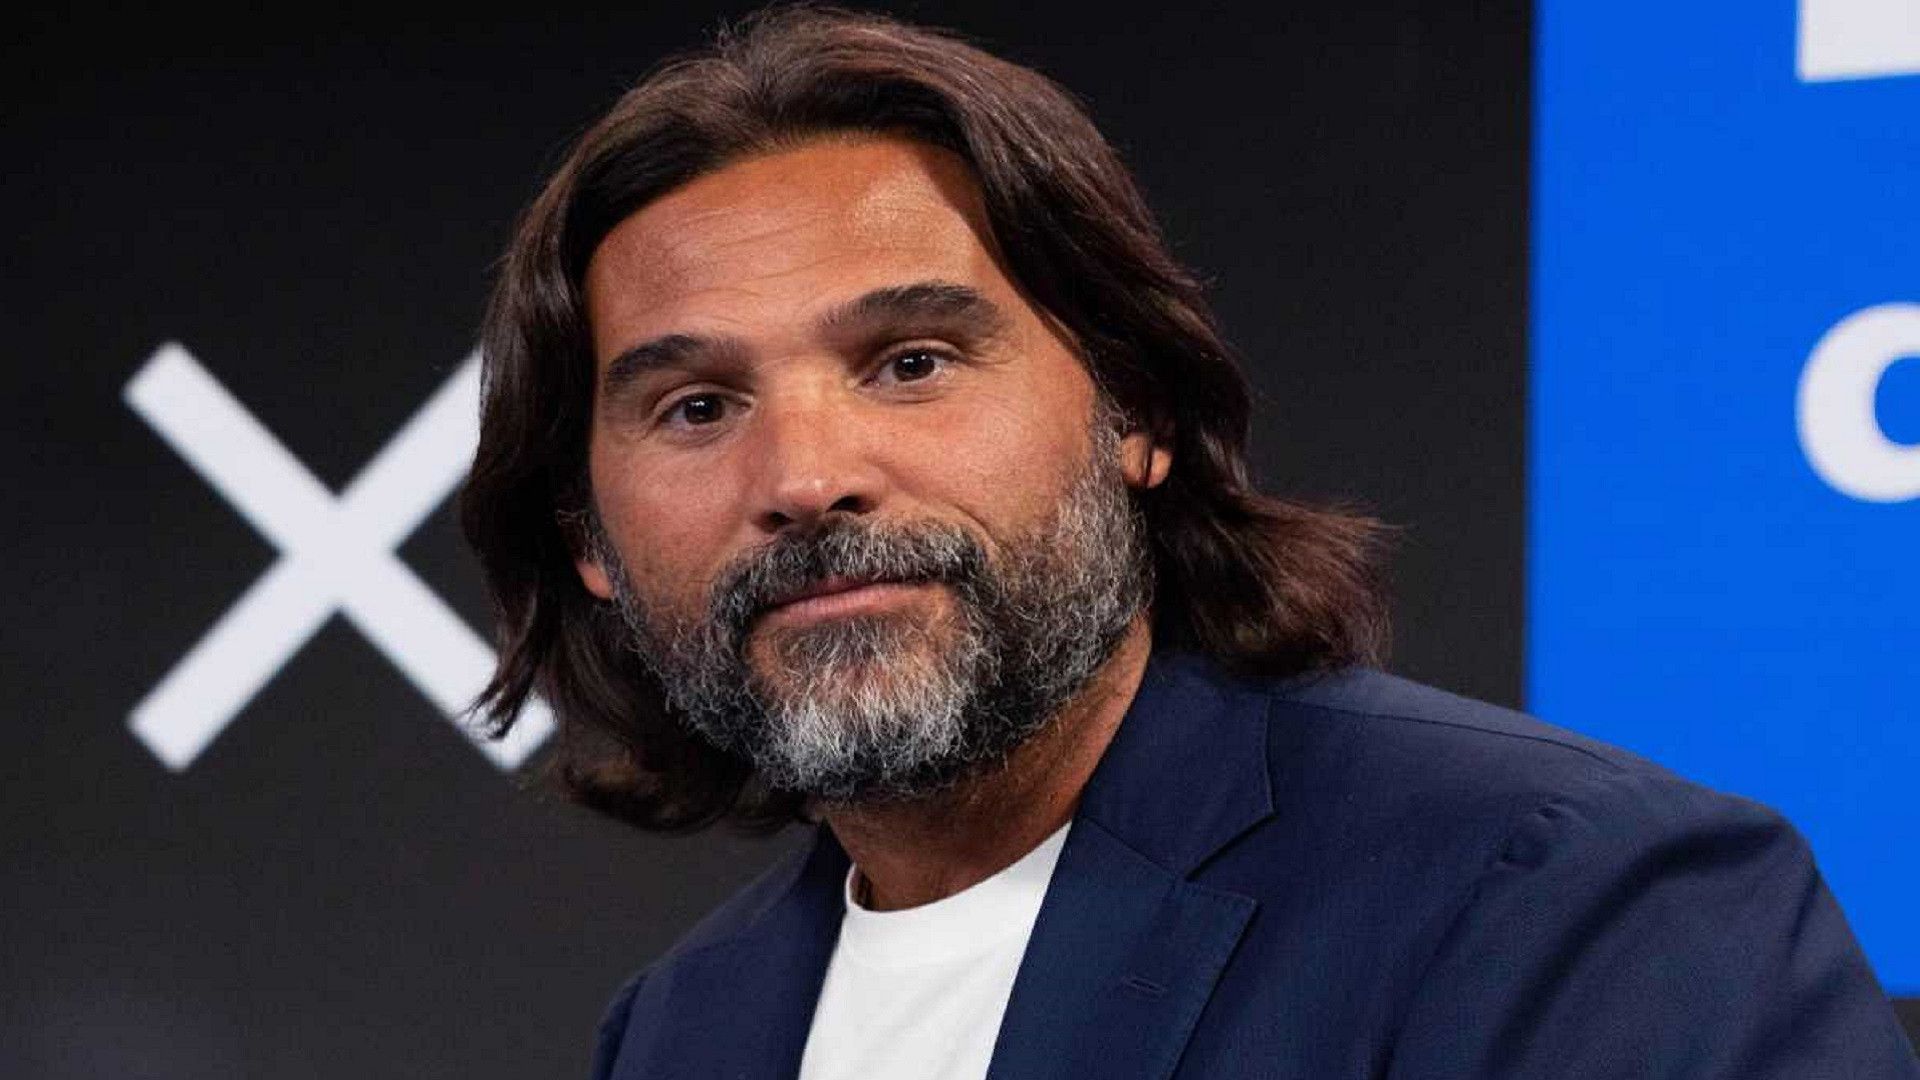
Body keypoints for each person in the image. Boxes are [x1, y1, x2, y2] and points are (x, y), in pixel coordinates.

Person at [460, 6, 1919, 1078]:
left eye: (911, 362)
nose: (806, 476)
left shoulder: (1564, 900)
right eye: (698, 406)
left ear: (1137, 411)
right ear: (587, 536)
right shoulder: (683, 1029)